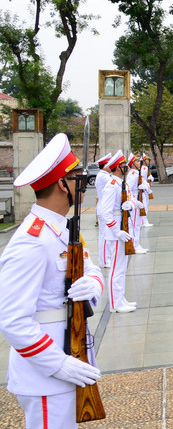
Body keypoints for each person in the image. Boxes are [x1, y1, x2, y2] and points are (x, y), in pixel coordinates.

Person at [0, 133, 104, 429]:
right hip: (46, 374)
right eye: (78, 178)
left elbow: (92, 269)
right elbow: (13, 320)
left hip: (71, 352)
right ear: (63, 184)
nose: (83, 185)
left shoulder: (62, 229)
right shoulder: (33, 241)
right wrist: (56, 363)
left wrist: (93, 285)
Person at [99, 152, 138, 312]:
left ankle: (120, 298)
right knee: (116, 269)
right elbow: (104, 212)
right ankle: (115, 304)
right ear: (118, 168)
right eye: (124, 166)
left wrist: (133, 205)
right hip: (117, 233)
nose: (127, 168)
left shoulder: (122, 184)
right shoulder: (111, 185)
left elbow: (129, 202)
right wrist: (117, 231)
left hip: (124, 229)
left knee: (122, 268)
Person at [125, 153, 148, 254]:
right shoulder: (133, 175)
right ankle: (134, 245)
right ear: (132, 164)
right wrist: (134, 201)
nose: (139, 163)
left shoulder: (136, 173)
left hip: (137, 199)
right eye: (137, 161)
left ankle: (137, 244)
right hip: (134, 200)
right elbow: (127, 189)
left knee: (137, 224)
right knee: (134, 225)